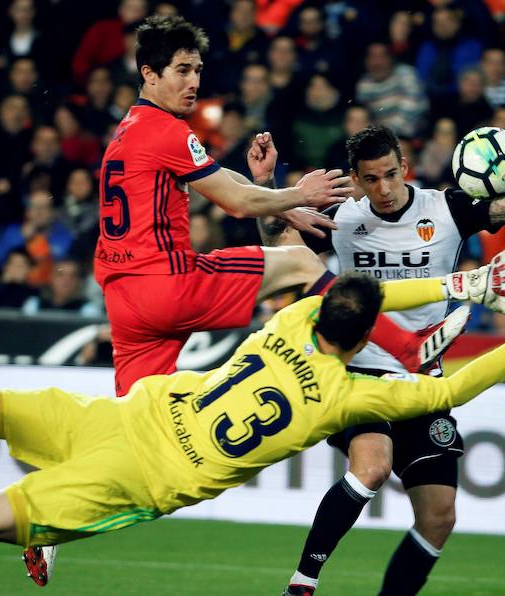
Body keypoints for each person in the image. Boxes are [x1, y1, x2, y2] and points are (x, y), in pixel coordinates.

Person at [0, 272, 505, 580]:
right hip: (138, 478)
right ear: (366, 333)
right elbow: (453, 389)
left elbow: (362, 288)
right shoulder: (350, 399)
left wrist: (458, 280)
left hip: (120, 414)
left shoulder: (293, 320)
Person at [266, 125, 505, 596]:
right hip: (356, 370)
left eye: (390, 174)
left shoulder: (445, 208)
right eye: (370, 179)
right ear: (356, 178)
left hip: (421, 378)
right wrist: (267, 189)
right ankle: (301, 585)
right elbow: (280, 251)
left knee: (439, 516)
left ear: (404, 167)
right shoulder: (340, 217)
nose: (383, 189)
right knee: (371, 466)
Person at [94, 15, 452, 400]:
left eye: (197, 70)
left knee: (139, 411)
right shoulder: (169, 130)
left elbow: (227, 181)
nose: (194, 82)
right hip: (169, 283)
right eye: (182, 70)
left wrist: (281, 207)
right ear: (149, 73)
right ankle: (405, 347)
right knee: (300, 261)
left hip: (123, 300)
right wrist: (300, 195)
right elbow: (237, 202)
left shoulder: (129, 128)